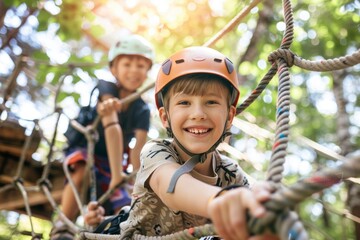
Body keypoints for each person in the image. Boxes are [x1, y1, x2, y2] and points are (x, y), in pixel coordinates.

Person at [84, 46, 277, 240]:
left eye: (211, 102)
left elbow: (252, 204)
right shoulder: (156, 152)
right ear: (165, 117)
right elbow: (170, 185)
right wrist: (221, 199)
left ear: (229, 116)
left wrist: (262, 207)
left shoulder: (230, 173)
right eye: (184, 103)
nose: (198, 114)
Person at [50, 34, 155, 240]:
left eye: (141, 66)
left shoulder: (142, 108)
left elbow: (138, 149)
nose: (134, 70)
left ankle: (120, 232)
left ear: (147, 71)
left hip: (111, 162)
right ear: (114, 68)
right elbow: (112, 127)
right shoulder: (107, 88)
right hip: (87, 151)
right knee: (81, 168)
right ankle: (63, 224)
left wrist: (132, 178)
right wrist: (117, 175)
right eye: (127, 64)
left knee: (124, 199)